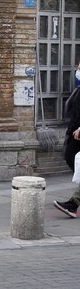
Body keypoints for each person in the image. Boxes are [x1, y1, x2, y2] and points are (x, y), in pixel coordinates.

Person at [54, 61, 80, 218]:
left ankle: (73, 204)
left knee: (71, 157)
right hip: (74, 131)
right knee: (70, 157)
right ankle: (73, 204)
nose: (77, 70)